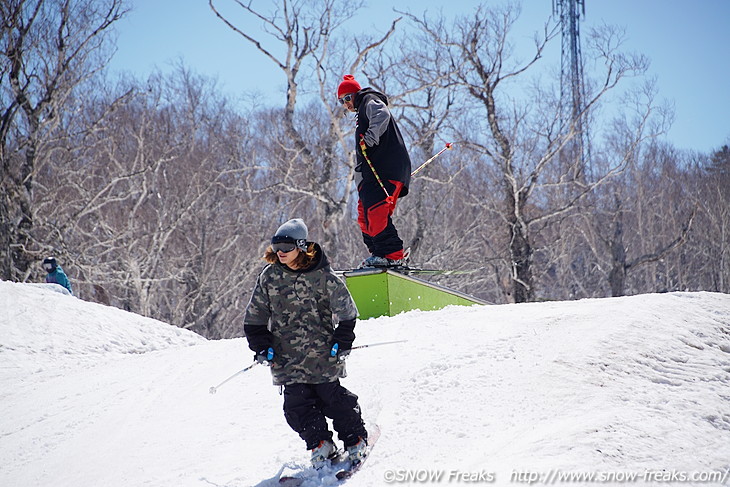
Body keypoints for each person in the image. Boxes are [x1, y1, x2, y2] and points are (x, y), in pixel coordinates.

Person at [243, 218, 369, 468]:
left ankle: (354, 438)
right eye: (276, 247)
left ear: (301, 247)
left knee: (331, 398)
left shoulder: (323, 276)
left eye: (286, 248)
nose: (280, 253)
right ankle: (320, 443)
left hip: (321, 352)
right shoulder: (270, 276)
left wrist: (343, 339)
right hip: (285, 356)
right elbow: (255, 315)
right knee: (296, 405)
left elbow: (347, 311)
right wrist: (260, 344)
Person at [337, 74, 412, 268]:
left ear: (356, 94)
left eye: (347, 98)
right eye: (341, 101)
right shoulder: (360, 111)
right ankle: (379, 254)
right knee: (364, 216)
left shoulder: (369, 100)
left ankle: (393, 255)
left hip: (386, 170)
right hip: (371, 175)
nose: (345, 104)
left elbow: (382, 115)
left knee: (376, 212)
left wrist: (370, 138)